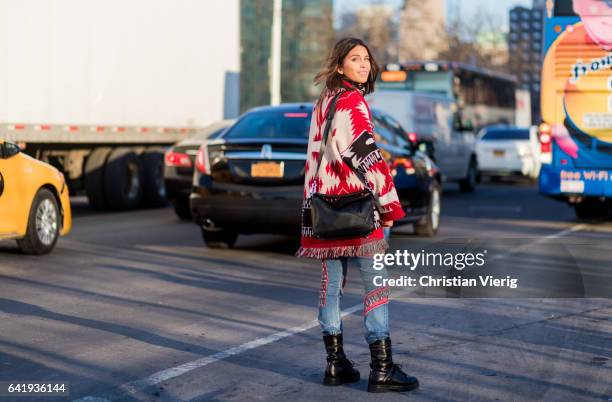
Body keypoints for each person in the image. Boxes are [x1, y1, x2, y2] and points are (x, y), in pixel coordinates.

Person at [295, 37, 418, 393]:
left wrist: (309, 212)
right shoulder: (352, 102)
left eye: (367, 58)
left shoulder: (323, 103)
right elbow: (367, 156)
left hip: (324, 211)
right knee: (375, 285)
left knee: (330, 288)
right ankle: (382, 367)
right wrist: (391, 205)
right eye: (355, 59)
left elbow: (314, 162)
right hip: (359, 210)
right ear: (339, 66)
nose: (364, 65)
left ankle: (336, 364)